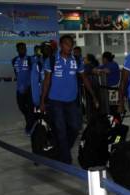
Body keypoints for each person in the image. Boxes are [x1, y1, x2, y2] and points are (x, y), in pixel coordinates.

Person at [40, 35, 99, 164]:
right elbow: (46, 82)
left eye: (71, 44)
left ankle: (63, 149)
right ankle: (66, 159)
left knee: (75, 127)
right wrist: (42, 101)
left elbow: (84, 79)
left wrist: (93, 96)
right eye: (67, 44)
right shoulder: (51, 60)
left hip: (71, 101)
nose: (69, 46)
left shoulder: (77, 60)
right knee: (61, 129)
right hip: (55, 101)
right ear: (61, 45)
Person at [12, 42, 34, 135]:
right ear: (17, 50)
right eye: (21, 48)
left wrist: (28, 86)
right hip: (19, 89)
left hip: (29, 89)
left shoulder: (30, 59)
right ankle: (31, 121)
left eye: (24, 48)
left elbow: (33, 75)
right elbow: (16, 73)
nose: (23, 50)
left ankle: (29, 127)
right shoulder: (14, 60)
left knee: (30, 108)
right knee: (21, 107)